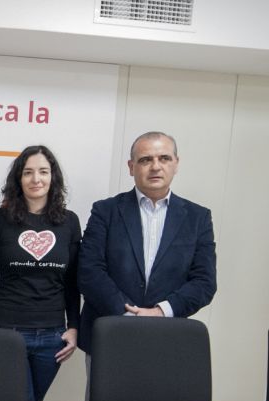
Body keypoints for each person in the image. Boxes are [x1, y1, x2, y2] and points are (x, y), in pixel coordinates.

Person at [78, 131, 217, 355]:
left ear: (176, 164)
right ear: (131, 167)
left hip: (168, 337)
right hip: (109, 335)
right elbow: (89, 271)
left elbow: (204, 282)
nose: (155, 166)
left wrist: (160, 312)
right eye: (145, 160)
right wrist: (130, 315)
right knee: (104, 392)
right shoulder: (105, 211)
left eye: (164, 158)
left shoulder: (197, 218)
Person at [0, 145, 80, 401]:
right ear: (18, 179)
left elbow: (72, 280)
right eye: (28, 172)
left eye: (43, 172)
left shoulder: (69, 222)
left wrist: (74, 327)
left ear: (53, 178)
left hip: (53, 336)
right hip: (9, 331)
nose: (36, 179)